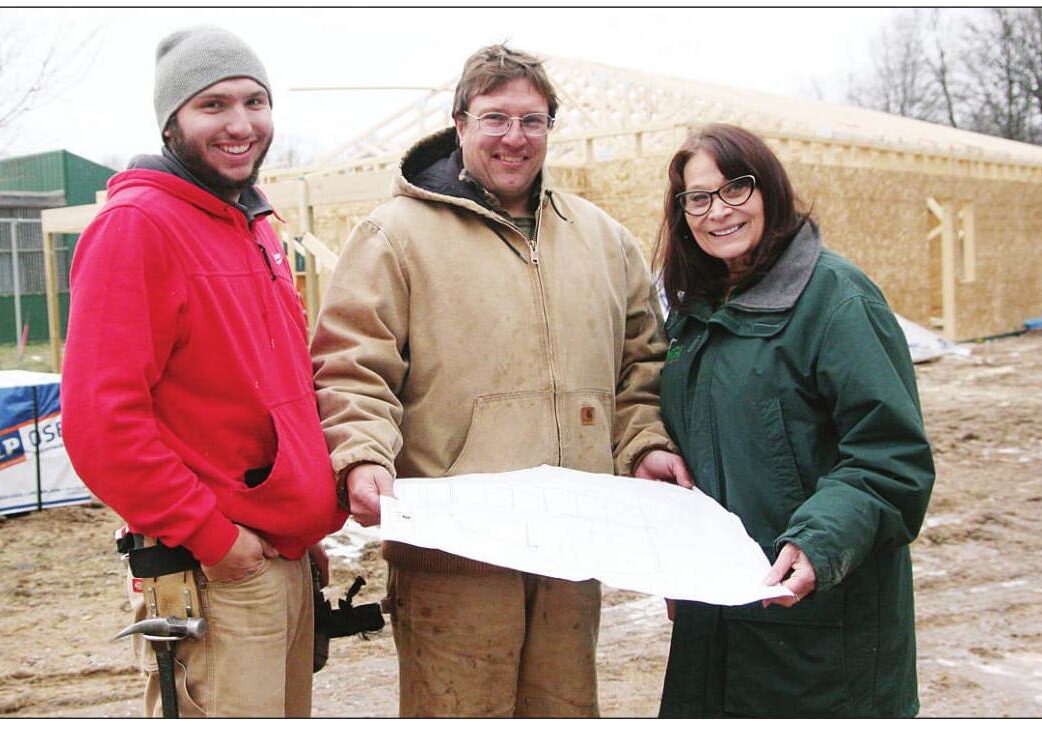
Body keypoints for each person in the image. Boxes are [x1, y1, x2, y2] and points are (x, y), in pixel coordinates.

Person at [310, 44, 690, 717]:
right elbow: (352, 365)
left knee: (563, 710)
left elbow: (639, 365)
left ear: (550, 128)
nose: (514, 137)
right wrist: (363, 454)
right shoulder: (395, 236)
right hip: (454, 553)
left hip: (572, 545)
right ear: (459, 124)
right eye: (495, 119)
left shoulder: (603, 240)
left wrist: (644, 445)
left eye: (532, 120)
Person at [61, 26, 345, 718]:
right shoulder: (138, 226)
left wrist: (304, 527)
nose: (241, 124)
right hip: (218, 568)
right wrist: (217, 539)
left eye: (255, 100)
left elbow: (273, 393)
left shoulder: (252, 221)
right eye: (213, 105)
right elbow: (102, 423)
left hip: (281, 557)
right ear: (172, 121)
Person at [652, 123, 935, 718]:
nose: (717, 211)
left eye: (736, 189)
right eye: (698, 198)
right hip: (716, 609)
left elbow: (890, 458)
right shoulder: (694, 314)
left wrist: (820, 542)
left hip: (819, 612)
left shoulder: (835, 300)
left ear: (770, 192)